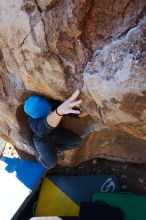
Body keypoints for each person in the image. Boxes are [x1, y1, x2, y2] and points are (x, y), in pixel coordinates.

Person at [24, 90, 86, 169]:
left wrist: (91, 110)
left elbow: (77, 113)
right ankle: (40, 158)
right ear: (40, 117)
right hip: (43, 140)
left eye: (50, 109)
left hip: (57, 132)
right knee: (51, 164)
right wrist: (59, 112)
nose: (51, 111)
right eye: (48, 113)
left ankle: (56, 149)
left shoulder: (50, 105)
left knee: (77, 142)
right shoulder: (36, 125)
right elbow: (47, 123)